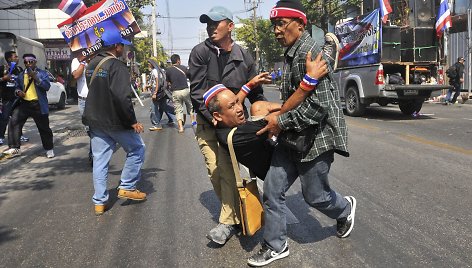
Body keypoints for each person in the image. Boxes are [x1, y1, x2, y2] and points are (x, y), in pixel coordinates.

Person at [246, 1, 357, 266]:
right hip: (292, 137)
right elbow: (298, 98)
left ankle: (345, 209)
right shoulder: (293, 52)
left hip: (316, 139)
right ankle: (275, 245)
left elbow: (317, 107)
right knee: (272, 190)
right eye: (274, 25)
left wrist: (280, 122)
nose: (276, 31)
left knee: (315, 196)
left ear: (300, 24)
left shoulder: (310, 52)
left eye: (281, 24)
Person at [189, 5, 271, 245]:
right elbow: (197, 93)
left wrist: (263, 115)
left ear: (230, 26)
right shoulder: (199, 52)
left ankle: (228, 221)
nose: (211, 28)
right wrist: (215, 118)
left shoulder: (244, 56)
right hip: (208, 123)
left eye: (216, 23)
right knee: (215, 171)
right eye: (208, 24)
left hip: (235, 126)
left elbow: (256, 93)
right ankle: (234, 216)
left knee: (230, 172)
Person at [208, 51, 328, 181]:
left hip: (270, 150)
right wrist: (308, 82)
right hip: (278, 162)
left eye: (238, 103)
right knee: (281, 117)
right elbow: (279, 117)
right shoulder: (238, 134)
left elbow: (233, 101)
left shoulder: (222, 123)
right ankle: (326, 63)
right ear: (217, 116)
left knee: (257, 106)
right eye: (232, 106)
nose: (240, 109)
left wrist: (250, 85)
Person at [83, 30, 146, 216]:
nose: (123, 48)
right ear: (116, 46)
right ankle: (127, 186)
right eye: (122, 45)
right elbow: (121, 97)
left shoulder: (91, 64)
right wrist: (132, 121)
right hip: (115, 120)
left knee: (100, 161)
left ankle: (99, 202)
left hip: (95, 119)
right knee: (137, 149)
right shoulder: (117, 66)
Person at [2, 53, 54, 159]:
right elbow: (16, 87)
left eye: (31, 61)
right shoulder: (21, 75)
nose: (28, 64)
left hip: (38, 104)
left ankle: (49, 149)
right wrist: (18, 92)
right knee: (14, 122)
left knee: (44, 128)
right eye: (26, 62)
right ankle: (14, 148)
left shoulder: (42, 73)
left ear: (35, 62)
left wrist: (36, 78)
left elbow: (47, 86)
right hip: (24, 104)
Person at [165, 54, 195, 133]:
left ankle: (181, 128)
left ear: (172, 61)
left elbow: (167, 83)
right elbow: (190, 77)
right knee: (190, 106)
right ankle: (193, 122)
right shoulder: (184, 68)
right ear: (178, 60)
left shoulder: (168, 70)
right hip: (185, 90)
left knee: (178, 110)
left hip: (175, 92)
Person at [71, 57, 92, 164]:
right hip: (82, 100)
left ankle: (93, 154)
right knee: (88, 128)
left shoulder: (96, 59)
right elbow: (76, 75)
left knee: (94, 128)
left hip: (94, 100)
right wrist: (83, 62)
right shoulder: (76, 61)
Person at [0, 51, 23, 146]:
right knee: (4, 118)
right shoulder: (2, 69)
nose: (17, 58)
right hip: (6, 98)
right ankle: (1, 136)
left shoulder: (19, 69)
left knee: (18, 118)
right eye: (15, 57)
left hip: (17, 98)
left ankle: (19, 135)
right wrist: (3, 78)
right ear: (9, 59)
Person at [148, 60, 176, 131]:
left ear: (152, 64)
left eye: (149, 63)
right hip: (163, 91)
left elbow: (157, 81)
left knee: (153, 108)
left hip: (157, 91)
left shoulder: (154, 71)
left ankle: (156, 124)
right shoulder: (162, 70)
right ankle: (178, 113)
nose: (148, 65)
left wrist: (155, 93)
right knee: (163, 107)